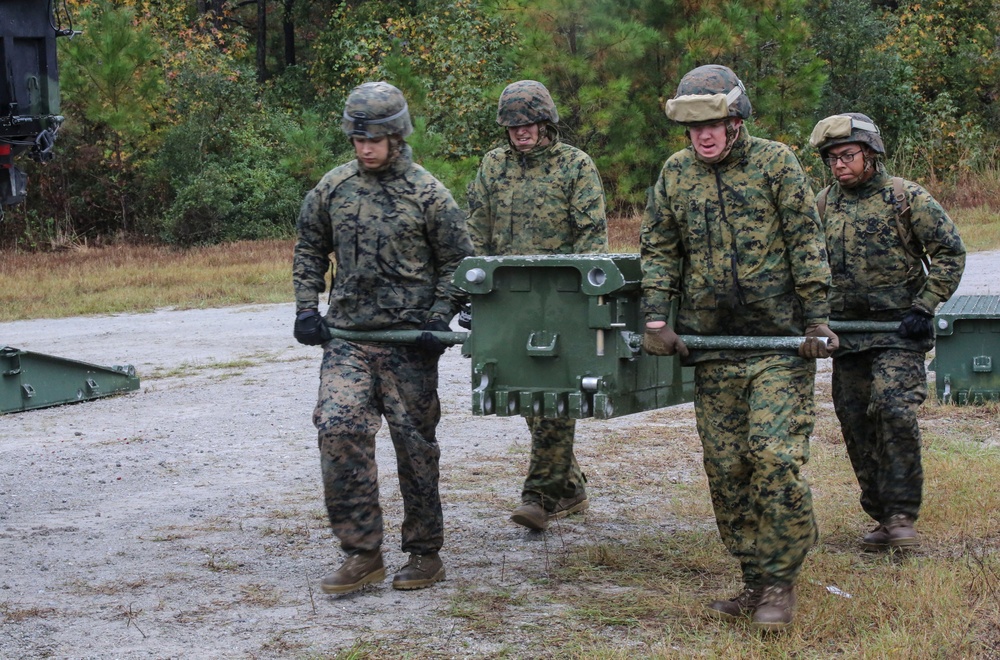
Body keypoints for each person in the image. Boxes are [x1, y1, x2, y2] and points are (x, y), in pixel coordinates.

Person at [640, 64, 838, 631]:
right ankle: (754, 581)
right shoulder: (675, 174)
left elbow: (806, 239)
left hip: (778, 343)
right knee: (728, 470)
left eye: (714, 124)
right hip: (713, 346)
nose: (703, 137)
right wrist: (658, 318)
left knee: (773, 458)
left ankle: (780, 581)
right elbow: (658, 247)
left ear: (736, 119)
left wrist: (817, 317)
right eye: (693, 127)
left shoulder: (777, 163)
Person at [292, 81, 473, 594]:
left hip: (409, 344)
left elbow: (459, 262)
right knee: (337, 429)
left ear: (396, 136)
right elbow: (309, 247)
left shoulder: (428, 193)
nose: (365, 148)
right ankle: (361, 552)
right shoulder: (333, 188)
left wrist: (440, 317)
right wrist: (307, 308)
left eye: (374, 139)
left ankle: (424, 552)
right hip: (348, 340)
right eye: (357, 139)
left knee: (415, 446)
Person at [809, 113, 966, 552]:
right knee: (856, 420)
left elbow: (950, 252)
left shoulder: (906, 198)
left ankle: (901, 517)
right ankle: (881, 515)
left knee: (894, 410)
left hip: (898, 331)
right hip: (847, 336)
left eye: (847, 155)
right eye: (831, 158)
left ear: (872, 154)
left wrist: (925, 306)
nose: (839, 165)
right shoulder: (821, 205)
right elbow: (805, 266)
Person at [467, 80, 608, 531]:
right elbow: (478, 228)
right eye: (512, 125)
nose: (520, 132)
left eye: (528, 124)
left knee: (553, 393)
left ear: (546, 123)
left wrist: (589, 296)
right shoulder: (493, 165)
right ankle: (569, 487)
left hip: (559, 299)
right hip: (508, 297)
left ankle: (540, 495)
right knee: (523, 394)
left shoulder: (575, 166)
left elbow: (592, 236)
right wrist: (474, 287)